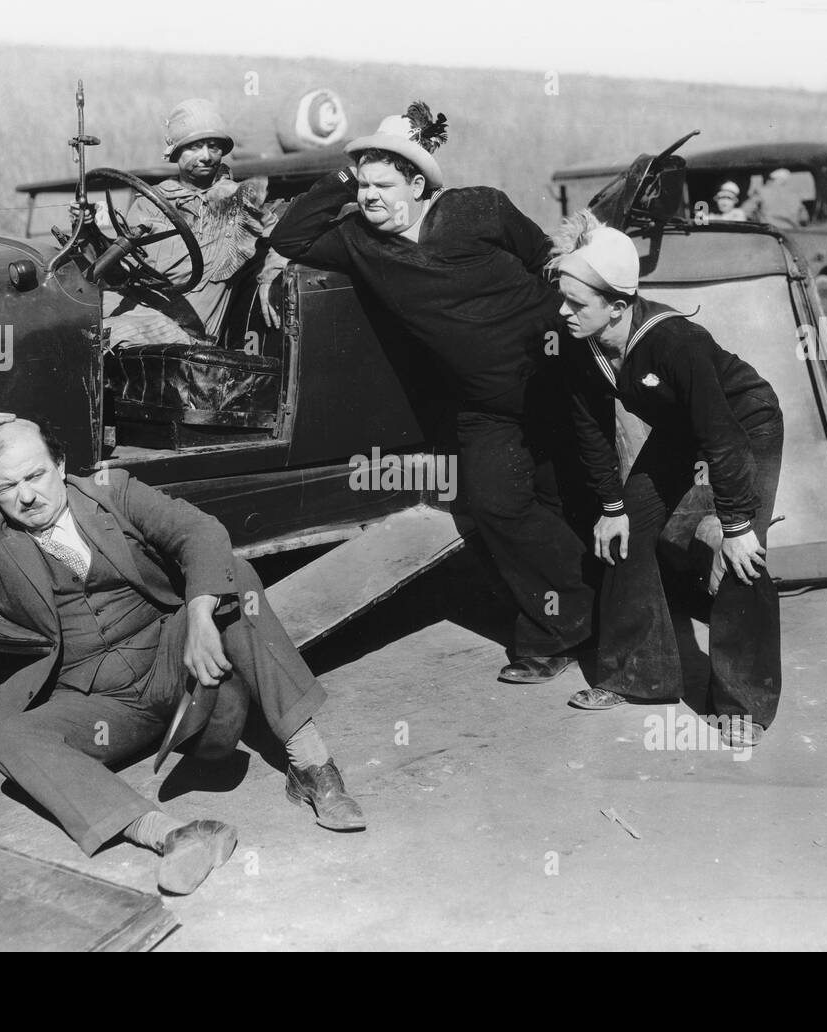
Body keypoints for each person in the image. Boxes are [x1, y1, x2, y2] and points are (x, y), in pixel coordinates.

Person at [0, 413, 365, 895]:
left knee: (236, 578)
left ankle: (312, 767)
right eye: (7, 487)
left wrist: (198, 618)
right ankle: (172, 835)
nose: (26, 496)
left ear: (61, 465)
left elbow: (201, 533)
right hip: (98, 704)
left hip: (175, 670)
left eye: (35, 475)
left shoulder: (113, 491)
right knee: (8, 736)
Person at [269, 101, 594, 684]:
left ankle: (593, 610)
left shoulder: (479, 208)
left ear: (417, 184)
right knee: (497, 504)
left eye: (383, 183)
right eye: (362, 184)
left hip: (555, 379)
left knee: (575, 495)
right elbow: (290, 236)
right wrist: (349, 168)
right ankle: (562, 627)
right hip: (484, 404)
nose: (370, 196)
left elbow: (546, 259)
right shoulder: (356, 240)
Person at [553, 222, 784, 748]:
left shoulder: (677, 342)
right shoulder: (578, 342)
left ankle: (743, 702)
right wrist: (612, 506)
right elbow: (590, 430)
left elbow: (722, 437)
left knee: (741, 555)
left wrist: (738, 524)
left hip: (745, 422)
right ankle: (637, 674)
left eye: (575, 303)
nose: (563, 313)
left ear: (617, 305)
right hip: (682, 427)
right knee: (626, 529)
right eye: (562, 301)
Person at [105, 98, 275, 346]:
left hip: (187, 332)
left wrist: (271, 277)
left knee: (98, 337)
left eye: (214, 147)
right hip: (139, 309)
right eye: (195, 147)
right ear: (176, 153)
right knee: (73, 325)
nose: (206, 156)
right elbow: (121, 273)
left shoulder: (241, 200)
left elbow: (286, 238)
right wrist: (88, 230)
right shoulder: (150, 202)